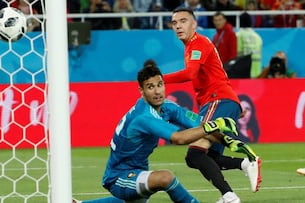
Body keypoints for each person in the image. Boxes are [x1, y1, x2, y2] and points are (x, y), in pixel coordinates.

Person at [73, 64, 239, 203]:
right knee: (165, 178)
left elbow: (200, 125)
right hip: (119, 177)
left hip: (138, 171)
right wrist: (214, 126)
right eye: (150, 87)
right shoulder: (144, 116)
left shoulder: (167, 106)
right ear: (141, 90)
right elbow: (179, 138)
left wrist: (232, 143)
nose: (157, 91)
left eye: (160, 84)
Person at [164, 8, 262, 202]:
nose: (178, 26)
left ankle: (230, 195)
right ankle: (242, 169)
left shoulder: (198, 43)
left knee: (194, 155)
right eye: (175, 23)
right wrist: (233, 105)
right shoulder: (192, 46)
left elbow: (190, 74)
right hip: (221, 101)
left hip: (217, 100)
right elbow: (215, 75)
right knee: (207, 157)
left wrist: (160, 78)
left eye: (183, 21)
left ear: (194, 24)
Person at [236, 12, 263, 78]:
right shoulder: (258, 37)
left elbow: (236, 53)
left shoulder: (238, 36)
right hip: (257, 71)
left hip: (243, 72)